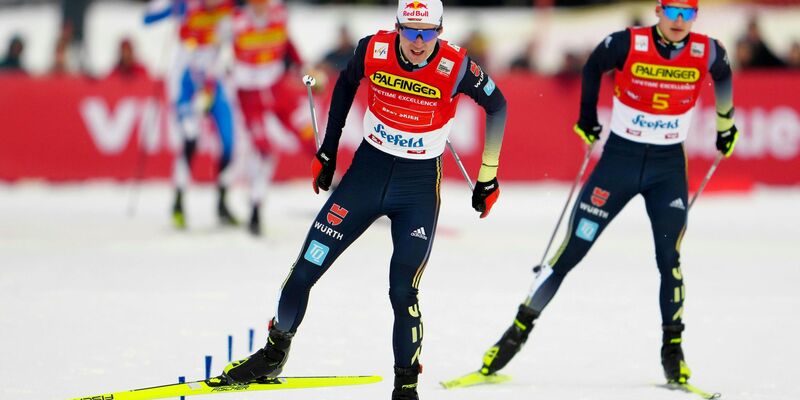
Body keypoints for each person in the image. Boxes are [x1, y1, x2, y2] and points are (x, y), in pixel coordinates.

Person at [220, 0, 508, 399]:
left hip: (417, 188)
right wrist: (327, 150)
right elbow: (345, 84)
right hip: (365, 178)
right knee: (306, 269)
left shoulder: (457, 66)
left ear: (440, 31)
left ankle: (405, 387)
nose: (420, 42)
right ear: (397, 28)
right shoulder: (372, 50)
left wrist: (487, 177)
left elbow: (498, 105)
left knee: (402, 291)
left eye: (428, 32)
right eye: (410, 30)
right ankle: (273, 355)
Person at [473, 0, 738, 387]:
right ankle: (515, 333)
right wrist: (586, 116)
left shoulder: (707, 49)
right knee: (570, 252)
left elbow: (725, 74)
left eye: (688, 13)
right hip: (619, 162)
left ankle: (672, 350)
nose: (679, 21)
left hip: (667, 170)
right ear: (658, 12)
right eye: (673, 12)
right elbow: (594, 64)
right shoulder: (627, 43)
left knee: (670, 259)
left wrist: (725, 124)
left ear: (694, 17)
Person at [144, 0, 239, 229]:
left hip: (213, 82)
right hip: (185, 84)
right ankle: (178, 202)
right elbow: (147, 19)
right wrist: (172, 7)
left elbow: (229, 46)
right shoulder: (187, 6)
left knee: (228, 143)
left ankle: (222, 204)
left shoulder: (228, 7)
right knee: (191, 139)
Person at [227, 0, 315, 236]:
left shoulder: (278, 13)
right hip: (249, 93)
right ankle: (255, 207)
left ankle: (335, 185)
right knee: (263, 149)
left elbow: (287, 42)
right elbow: (216, 49)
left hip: (276, 87)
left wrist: (303, 66)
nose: (261, 8)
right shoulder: (236, 21)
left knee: (308, 132)